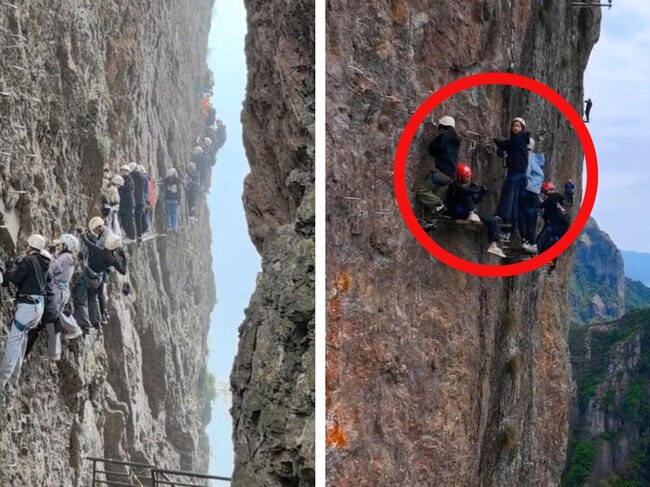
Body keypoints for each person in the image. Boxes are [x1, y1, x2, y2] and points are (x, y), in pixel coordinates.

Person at [0, 234, 50, 394]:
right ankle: (14, 377)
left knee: (13, 341)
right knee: (22, 340)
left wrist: (8, 269)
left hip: (27, 307)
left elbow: (12, 280)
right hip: (38, 308)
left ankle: (2, 379)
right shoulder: (43, 262)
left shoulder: (29, 261)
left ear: (30, 245)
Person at [25, 234, 82, 361]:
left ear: (66, 246)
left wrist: (45, 258)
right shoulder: (68, 257)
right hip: (61, 291)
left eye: (59, 244)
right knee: (54, 319)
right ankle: (57, 348)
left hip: (57, 292)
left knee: (52, 319)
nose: (57, 246)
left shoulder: (65, 258)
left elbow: (51, 269)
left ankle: (69, 334)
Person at [443, 164, 506, 258]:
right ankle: (471, 213)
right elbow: (464, 192)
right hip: (456, 212)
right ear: (460, 177)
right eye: (466, 177)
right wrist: (475, 190)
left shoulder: (466, 188)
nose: (468, 179)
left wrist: (481, 193)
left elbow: (473, 200)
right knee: (466, 194)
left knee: (492, 220)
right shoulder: (455, 186)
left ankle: (493, 246)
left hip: (467, 213)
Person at [73, 233, 127, 333]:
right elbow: (123, 271)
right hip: (97, 281)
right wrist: (124, 259)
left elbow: (86, 242)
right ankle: (96, 321)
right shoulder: (112, 260)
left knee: (81, 301)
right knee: (93, 299)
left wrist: (82, 233)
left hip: (86, 277)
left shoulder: (97, 250)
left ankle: (85, 326)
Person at [415, 116, 461, 221]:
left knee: (423, 191)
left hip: (441, 173)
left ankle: (440, 205)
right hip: (450, 176)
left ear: (443, 126)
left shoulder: (444, 137)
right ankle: (430, 219)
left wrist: (437, 138)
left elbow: (433, 149)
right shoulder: (456, 140)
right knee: (431, 194)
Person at [493, 117, 531, 235]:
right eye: (514, 126)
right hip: (520, 173)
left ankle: (502, 217)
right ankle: (510, 224)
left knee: (508, 194)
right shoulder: (522, 140)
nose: (515, 128)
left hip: (515, 172)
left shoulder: (518, 139)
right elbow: (510, 150)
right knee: (514, 199)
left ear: (522, 128)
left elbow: (506, 145)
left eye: (518, 126)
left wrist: (496, 141)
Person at [536, 182, 571, 271]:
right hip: (562, 229)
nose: (546, 193)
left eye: (546, 192)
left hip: (554, 224)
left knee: (541, 240)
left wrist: (538, 203)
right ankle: (551, 266)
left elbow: (544, 205)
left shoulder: (553, 198)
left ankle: (538, 255)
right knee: (553, 245)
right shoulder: (558, 200)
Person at [518, 138, 544, 254]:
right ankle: (530, 242)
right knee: (531, 217)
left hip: (527, 190)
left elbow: (526, 172)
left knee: (522, 215)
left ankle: (528, 241)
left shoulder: (528, 156)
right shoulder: (536, 159)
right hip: (534, 192)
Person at [117, 165, 136, 241]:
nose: (123, 172)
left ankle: (132, 236)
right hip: (123, 203)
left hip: (129, 203)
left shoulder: (129, 180)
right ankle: (127, 234)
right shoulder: (122, 179)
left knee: (130, 219)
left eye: (124, 171)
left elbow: (127, 188)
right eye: (122, 171)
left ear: (128, 172)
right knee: (124, 219)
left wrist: (120, 187)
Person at [131, 163, 146, 240]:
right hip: (140, 201)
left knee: (136, 218)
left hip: (137, 201)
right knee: (138, 218)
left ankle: (138, 234)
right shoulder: (141, 177)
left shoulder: (135, 177)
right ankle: (139, 234)